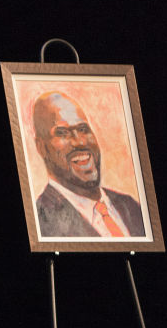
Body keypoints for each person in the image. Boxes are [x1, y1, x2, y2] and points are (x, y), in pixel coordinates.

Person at [32, 91, 146, 238]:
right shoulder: (41, 221)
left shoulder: (130, 205)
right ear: (41, 147)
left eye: (83, 129)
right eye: (62, 133)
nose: (80, 142)